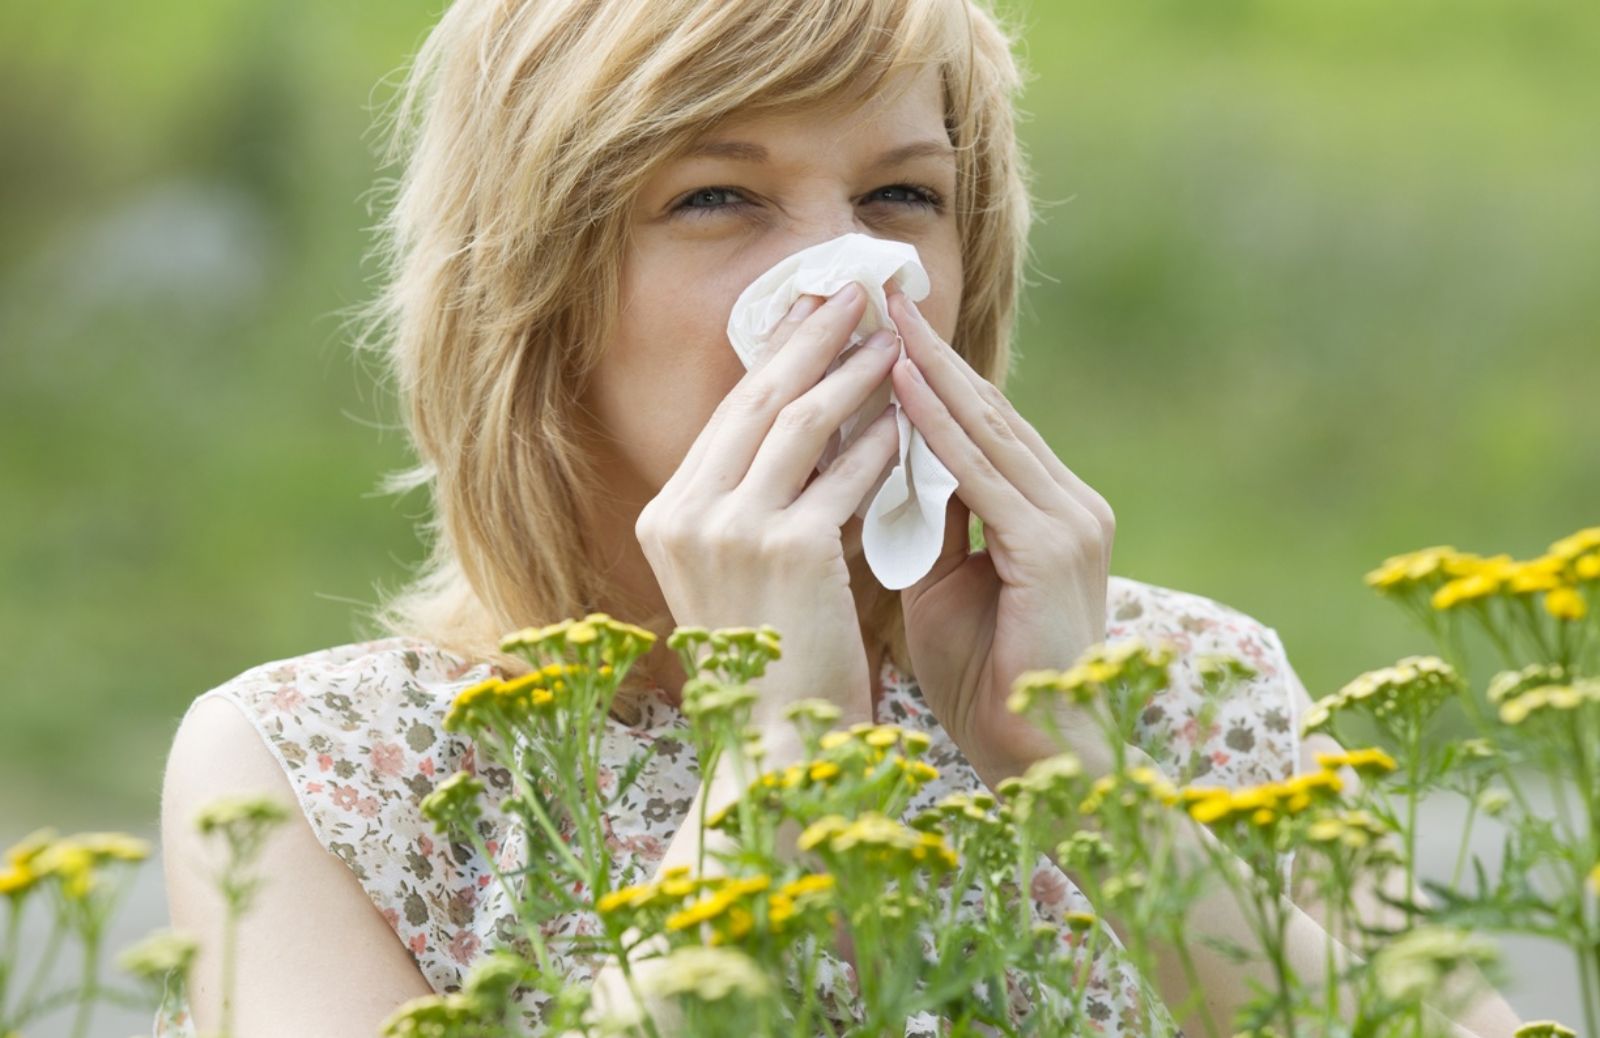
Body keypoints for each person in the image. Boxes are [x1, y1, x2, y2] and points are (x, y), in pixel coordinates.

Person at [157, 1, 1525, 1035]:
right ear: (536, 291)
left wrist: (1084, 775)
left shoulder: (1183, 690)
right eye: (716, 197)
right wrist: (775, 757)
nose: (845, 280)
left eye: (898, 197)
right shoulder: (321, 771)